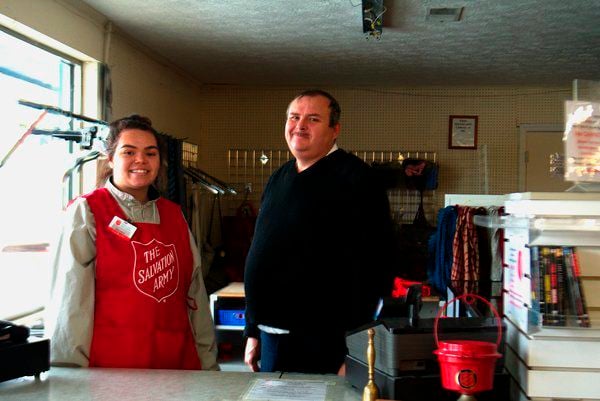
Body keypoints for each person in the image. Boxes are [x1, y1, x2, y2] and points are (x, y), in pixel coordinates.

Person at [45, 115, 219, 370]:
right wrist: (70, 377)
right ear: (111, 158)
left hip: (177, 366)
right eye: (129, 152)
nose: (141, 160)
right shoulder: (87, 212)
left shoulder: (174, 215)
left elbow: (195, 296)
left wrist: (208, 364)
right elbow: (70, 303)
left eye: (151, 153)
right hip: (111, 370)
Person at [243, 90, 394, 374]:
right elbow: (261, 250)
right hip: (271, 334)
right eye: (294, 117)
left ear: (334, 130)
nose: (300, 125)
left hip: (326, 339)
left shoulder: (357, 179)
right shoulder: (280, 176)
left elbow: (378, 266)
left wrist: (357, 348)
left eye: (313, 119)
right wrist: (252, 329)